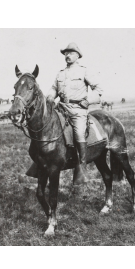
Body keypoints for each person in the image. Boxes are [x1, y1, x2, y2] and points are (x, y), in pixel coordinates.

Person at [45, 42, 103, 185]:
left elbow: (98, 89)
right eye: (65, 53)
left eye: (70, 53)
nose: (67, 55)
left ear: (77, 56)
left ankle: (81, 167)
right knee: (48, 130)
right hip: (62, 107)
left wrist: (88, 100)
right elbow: (53, 88)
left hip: (78, 109)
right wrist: (51, 96)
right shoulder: (60, 73)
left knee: (78, 134)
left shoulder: (84, 71)